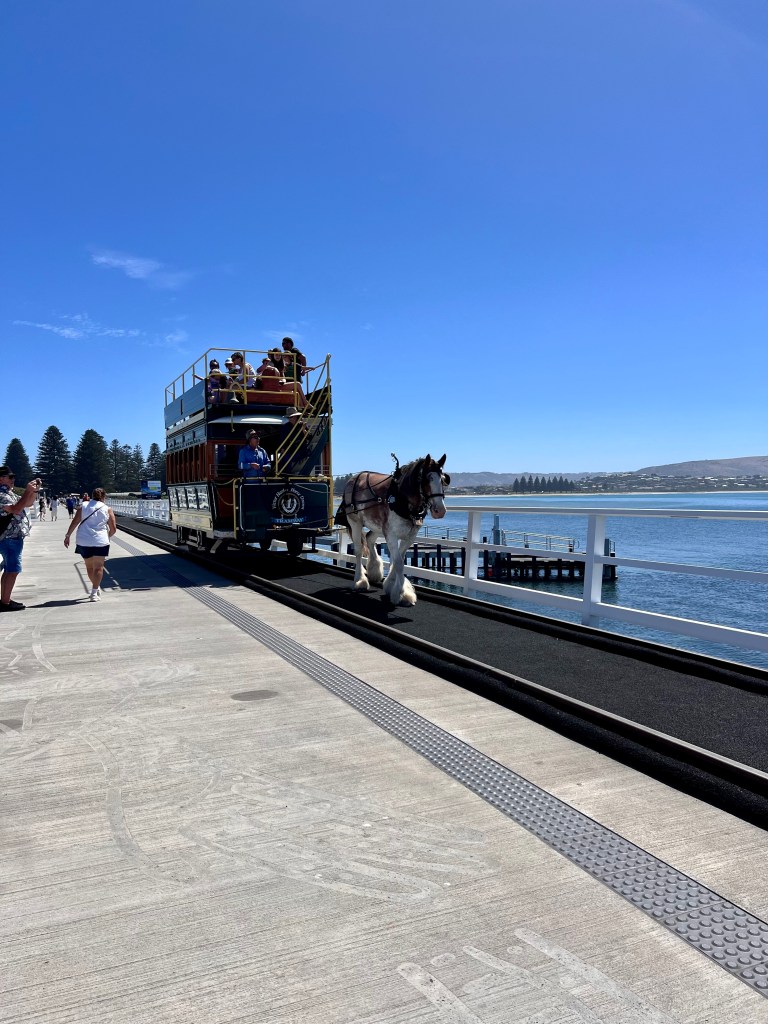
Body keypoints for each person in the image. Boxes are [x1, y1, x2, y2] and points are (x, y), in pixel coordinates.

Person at [64, 487, 117, 602]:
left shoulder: (83, 506)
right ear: (104, 497)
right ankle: (94, 592)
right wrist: (107, 537)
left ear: (92, 496)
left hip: (83, 541)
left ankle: (95, 587)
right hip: (100, 541)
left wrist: (67, 536)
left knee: (89, 567)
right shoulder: (108, 509)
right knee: (98, 567)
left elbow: (75, 522)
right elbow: (113, 529)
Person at [0, 468, 41, 611]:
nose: (13, 479)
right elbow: (16, 509)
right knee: (13, 570)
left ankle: (4, 600)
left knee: (9, 569)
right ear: (1, 479)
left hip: (12, 537)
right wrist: (26, 491)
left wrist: (33, 491)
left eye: (14, 476)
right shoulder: (1, 495)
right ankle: (5, 603)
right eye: (10, 477)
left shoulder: (7, 493)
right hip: (9, 538)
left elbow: (27, 503)